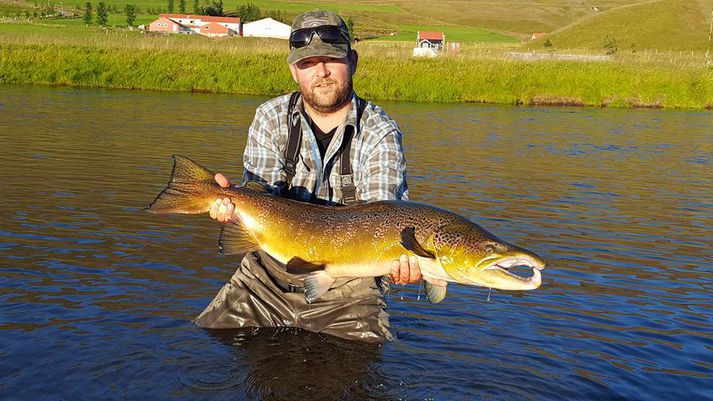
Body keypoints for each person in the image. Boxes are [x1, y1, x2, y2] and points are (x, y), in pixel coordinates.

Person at [194, 10, 446, 342]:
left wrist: (406, 264)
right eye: (307, 63)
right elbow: (258, 194)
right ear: (293, 70)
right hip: (265, 280)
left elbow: (386, 215)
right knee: (207, 339)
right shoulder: (270, 117)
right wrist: (232, 207)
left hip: (349, 293)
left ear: (353, 61)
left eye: (331, 59)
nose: (321, 72)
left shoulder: (379, 131)